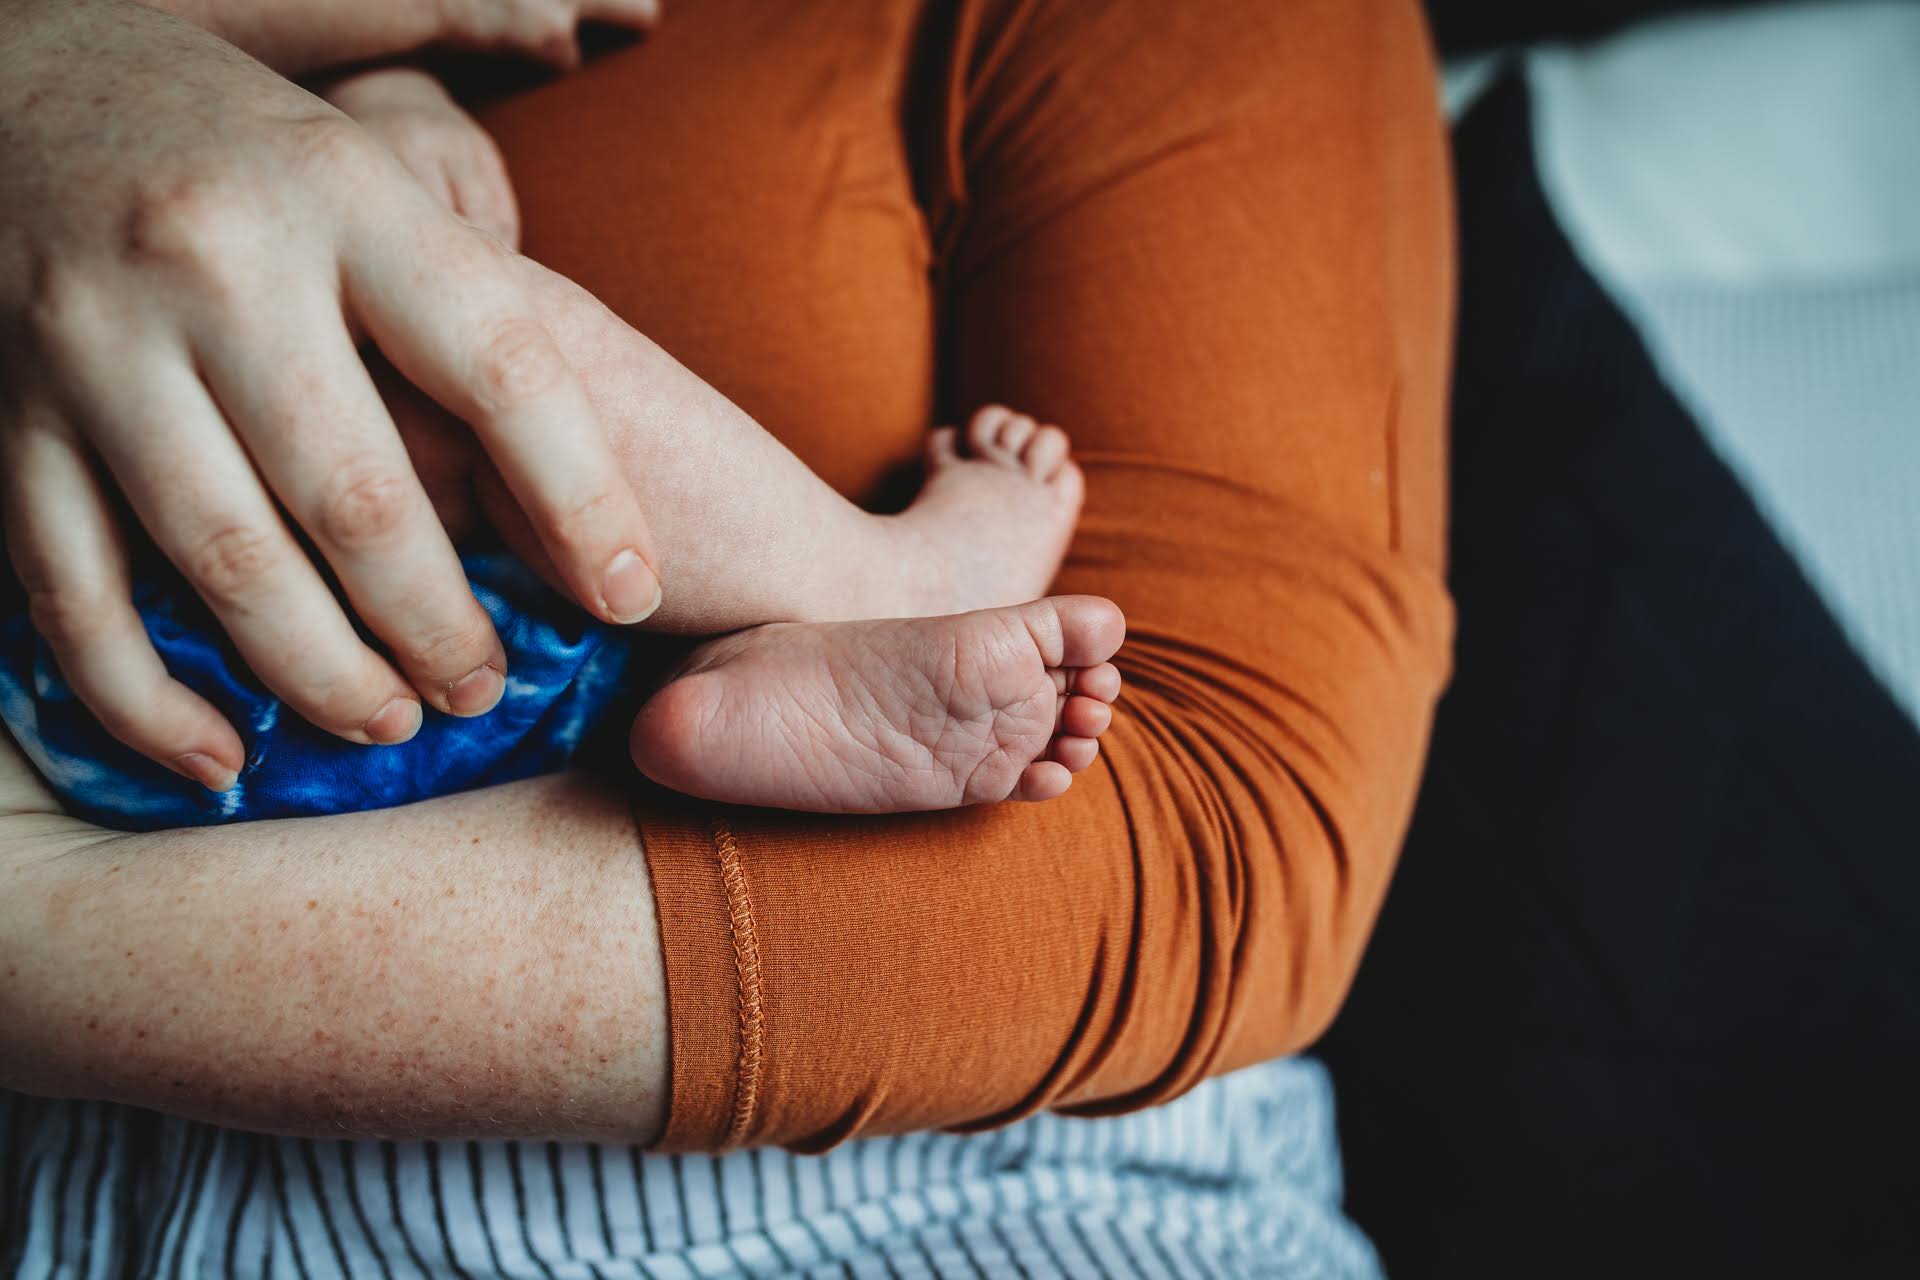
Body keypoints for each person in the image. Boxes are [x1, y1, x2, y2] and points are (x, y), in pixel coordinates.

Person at [0, 0, 1453, 1273]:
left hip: (860, 1172)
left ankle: (805, 620)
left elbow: (1223, 836)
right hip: (147, 702)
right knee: (408, 333)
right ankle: (819, 610)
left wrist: (42, 932)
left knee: (444, 341)